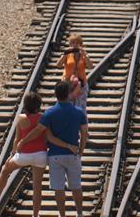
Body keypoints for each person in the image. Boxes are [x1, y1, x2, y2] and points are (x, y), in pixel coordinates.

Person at [0, 91, 48, 215]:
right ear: (38, 105)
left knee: (5, 170)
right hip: (41, 155)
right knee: (37, 186)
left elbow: (17, 139)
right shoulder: (43, 118)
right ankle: (36, 214)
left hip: (24, 155)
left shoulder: (21, 118)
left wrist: (13, 154)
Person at [34, 79, 87, 217]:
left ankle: (62, 215)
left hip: (55, 155)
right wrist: (81, 150)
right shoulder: (79, 112)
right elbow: (84, 133)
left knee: (58, 188)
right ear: (69, 94)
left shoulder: (49, 113)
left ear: (55, 94)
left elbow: (44, 133)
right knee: (76, 186)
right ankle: (79, 213)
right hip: (73, 154)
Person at [56, 35, 90, 112]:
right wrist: (64, 55)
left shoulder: (83, 55)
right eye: (72, 43)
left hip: (81, 84)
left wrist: (85, 55)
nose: (75, 45)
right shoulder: (67, 55)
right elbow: (58, 65)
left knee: (81, 107)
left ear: (81, 45)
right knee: (66, 107)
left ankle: (81, 123)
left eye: (77, 43)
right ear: (70, 44)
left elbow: (90, 66)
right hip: (67, 84)